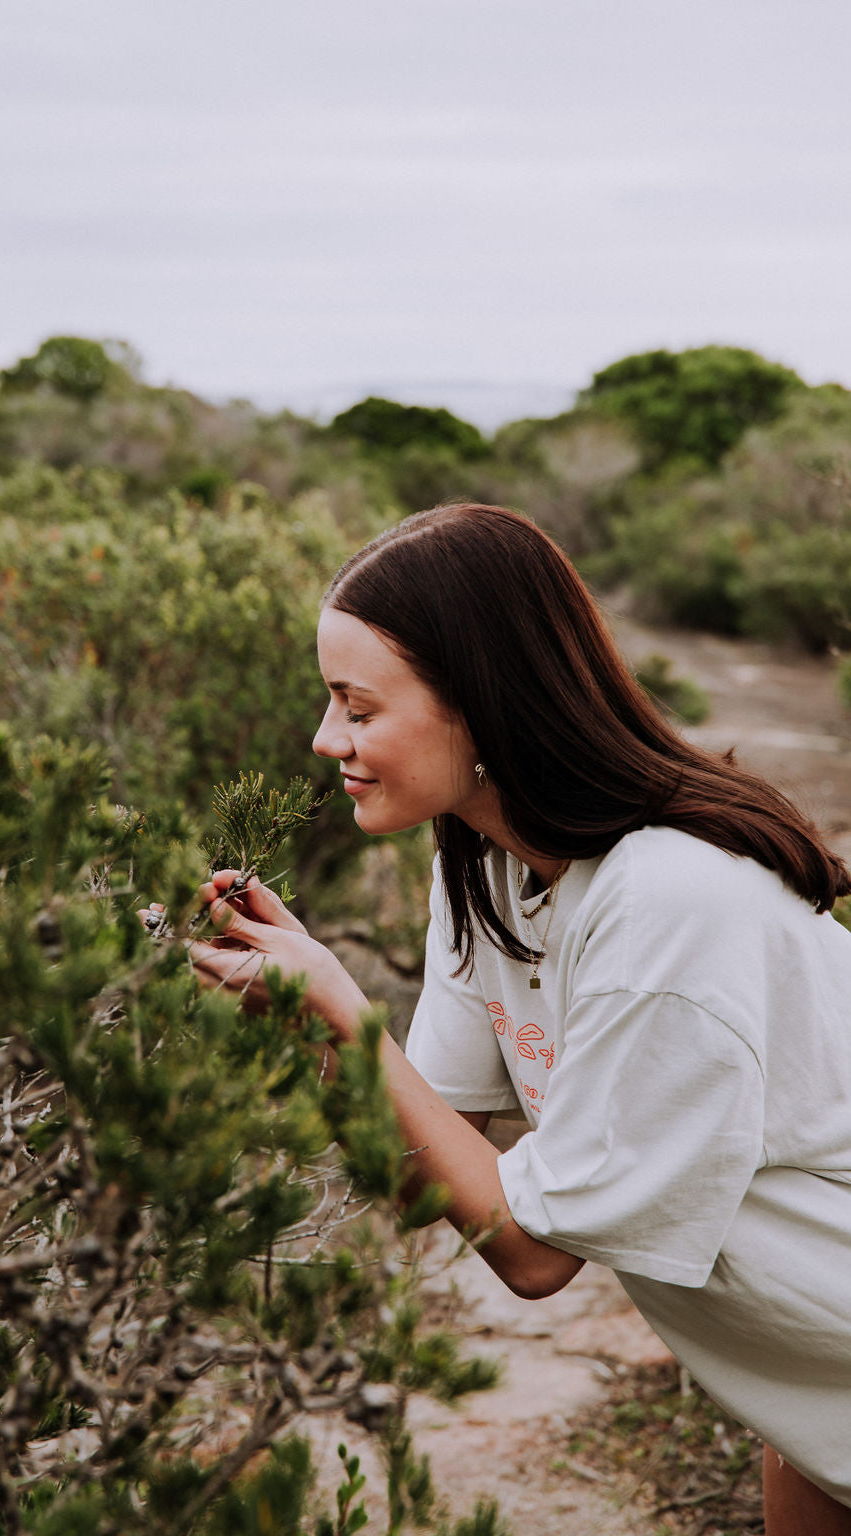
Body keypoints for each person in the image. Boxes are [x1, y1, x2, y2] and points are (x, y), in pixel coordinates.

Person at [175, 502, 851, 1534]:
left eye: (358, 709)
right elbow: (430, 1172)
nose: (325, 740)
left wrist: (345, 1013)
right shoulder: (485, 868)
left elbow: (537, 1256)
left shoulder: (669, 903)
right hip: (812, 1396)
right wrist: (309, 1020)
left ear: (482, 706)